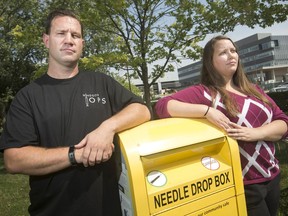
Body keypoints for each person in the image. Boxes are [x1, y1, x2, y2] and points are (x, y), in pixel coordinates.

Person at [0, 9, 151, 216]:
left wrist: (107, 128)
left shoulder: (101, 82)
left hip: (109, 209)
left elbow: (142, 110)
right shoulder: (27, 97)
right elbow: (14, 159)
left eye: (76, 35)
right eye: (61, 33)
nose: (69, 40)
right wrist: (76, 154)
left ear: (82, 45)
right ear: (46, 40)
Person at [155, 35, 288, 216]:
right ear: (211, 61)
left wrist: (257, 133)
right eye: (223, 52)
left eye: (233, 51)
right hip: (244, 185)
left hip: (273, 175)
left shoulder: (253, 89)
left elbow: (282, 121)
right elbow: (162, 106)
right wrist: (206, 111)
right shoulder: (205, 92)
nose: (231, 55)